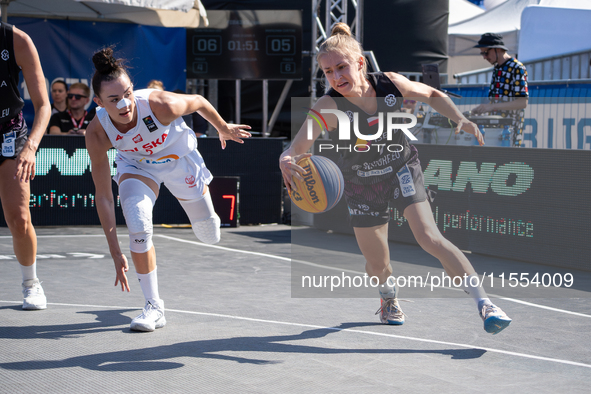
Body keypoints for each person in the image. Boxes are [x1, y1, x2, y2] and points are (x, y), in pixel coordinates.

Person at [280, 23, 512, 334]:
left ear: (360, 64)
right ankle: (388, 297)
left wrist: (460, 118)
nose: (336, 77)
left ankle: (485, 304)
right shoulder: (329, 105)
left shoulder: (390, 84)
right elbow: (298, 146)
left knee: (430, 238)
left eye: (341, 67)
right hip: (361, 183)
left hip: (401, 167)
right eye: (328, 72)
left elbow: (431, 93)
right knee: (378, 264)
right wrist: (286, 157)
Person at [85, 47, 251, 332]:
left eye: (127, 94)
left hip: (179, 162)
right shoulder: (98, 133)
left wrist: (223, 127)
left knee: (209, 235)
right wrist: (114, 251)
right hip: (137, 167)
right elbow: (103, 196)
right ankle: (153, 306)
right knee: (137, 224)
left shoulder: (159, 104)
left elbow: (198, 100)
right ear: (99, 103)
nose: (124, 104)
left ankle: (205, 211)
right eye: (114, 100)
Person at [0, 22, 51, 309]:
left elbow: (44, 105)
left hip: (10, 134)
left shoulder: (16, 40)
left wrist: (30, 147)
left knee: (19, 219)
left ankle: (31, 283)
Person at [471, 33, 528, 147]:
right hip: (495, 132)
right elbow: (497, 100)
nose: (484, 57)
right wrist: (483, 107)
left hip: (509, 133)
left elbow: (522, 102)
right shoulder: (497, 68)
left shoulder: (517, 67)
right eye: (482, 53)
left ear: (497, 49)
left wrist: (492, 106)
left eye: (486, 52)